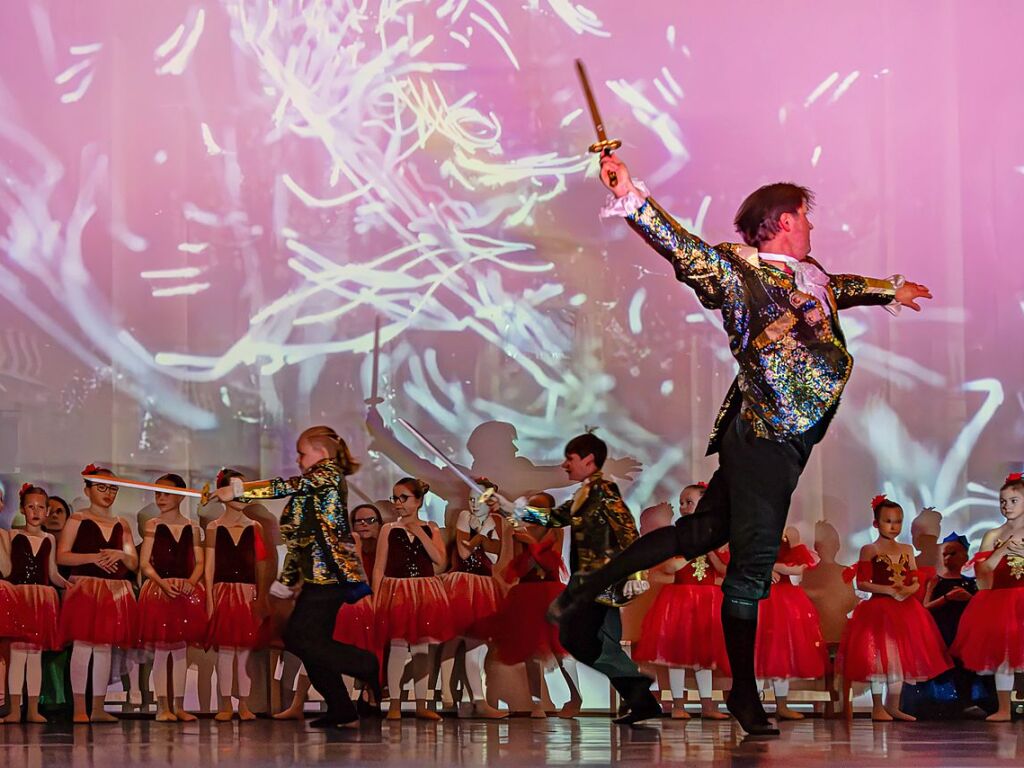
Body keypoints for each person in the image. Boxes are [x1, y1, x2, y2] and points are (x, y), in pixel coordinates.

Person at [551, 153, 932, 734]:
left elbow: (839, 290)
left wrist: (890, 289)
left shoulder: (811, 275)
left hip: (787, 435)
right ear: (782, 220)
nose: (812, 229)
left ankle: (590, 586)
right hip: (764, 433)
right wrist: (630, 195)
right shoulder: (739, 272)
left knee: (703, 533)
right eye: (806, 219)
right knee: (751, 567)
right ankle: (744, 695)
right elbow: (682, 248)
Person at [216, 426, 381, 729]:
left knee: (300, 638)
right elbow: (302, 538)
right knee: (306, 641)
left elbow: (289, 484)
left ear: (321, 453)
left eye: (302, 452)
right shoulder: (312, 489)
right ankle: (342, 708)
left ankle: (366, 665)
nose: (298, 458)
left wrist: (241, 490)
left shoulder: (327, 475)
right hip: (316, 577)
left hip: (330, 576)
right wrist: (287, 580)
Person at [521, 431, 660, 725]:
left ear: (588, 460)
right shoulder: (584, 493)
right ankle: (640, 697)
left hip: (602, 583)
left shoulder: (604, 491)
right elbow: (554, 518)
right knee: (585, 638)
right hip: (589, 583)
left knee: (580, 636)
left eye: (570, 459)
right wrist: (513, 510)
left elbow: (628, 531)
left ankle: (638, 690)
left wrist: (636, 572)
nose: (565, 465)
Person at [837, 497, 951, 721]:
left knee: (899, 658)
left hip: (905, 608)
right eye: (888, 521)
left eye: (898, 521)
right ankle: (878, 706)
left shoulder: (907, 549)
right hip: (879, 608)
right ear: (876, 523)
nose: (893, 526)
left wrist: (910, 589)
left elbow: (915, 578)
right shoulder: (869, 549)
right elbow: (862, 582)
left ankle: (893, 705)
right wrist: (889, 590)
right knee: (880, 658)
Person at [57, 465, 140, 723]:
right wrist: (95, 557)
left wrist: (121, 554)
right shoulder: (78, 519)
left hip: (113, 591)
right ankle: (79, 708)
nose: (108, 493)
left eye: (112, 488)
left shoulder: (121, 523)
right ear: (88, 490)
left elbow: (134, 562)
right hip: (85, 587)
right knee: (83, 646)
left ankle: (98, 707)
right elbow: (63, 555)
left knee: (105, 648)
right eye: (101, 487)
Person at [951, 473, 1024, 721]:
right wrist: (1002, 550)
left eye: (1014, 500)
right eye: (1003, 501)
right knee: (1004, 654)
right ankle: (1003, 708)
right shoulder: (993, 535)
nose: (1007, 506)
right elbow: (982, 572)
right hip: (1002, 599)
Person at [137, 474, 206, 722]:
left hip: (184, 592)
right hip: (159, 590)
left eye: (166, 493)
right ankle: (162, 706)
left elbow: (200, 562)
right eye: (157, 493)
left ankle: (179, 705)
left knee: (179, 652)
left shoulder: (193, 527)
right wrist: (160, 582)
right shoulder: (153, 525)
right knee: (161, 652)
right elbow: (145, 564)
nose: (161, 498)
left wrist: (191, 582)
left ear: (180, 495)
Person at [1, 484, 68, 723]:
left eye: (41, 507)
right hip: (21, 597)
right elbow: (7, 567)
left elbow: (52, 572)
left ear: (47, 510)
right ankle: (13, 709)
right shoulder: (13, 535)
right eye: (30, 506)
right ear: (22, 509)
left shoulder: (49, 538)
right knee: (18, 655)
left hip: (42, 600)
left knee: (35, 656)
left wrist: (66, 584)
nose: (36, 511)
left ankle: (32, 709)